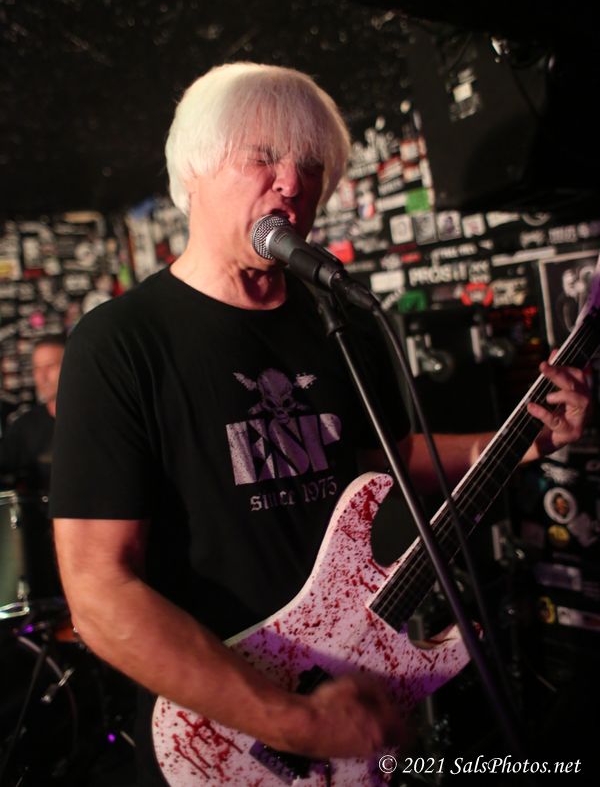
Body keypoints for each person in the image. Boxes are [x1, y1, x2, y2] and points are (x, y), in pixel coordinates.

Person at [49, 63, 589, 785]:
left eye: (309, 164)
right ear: (195, 170)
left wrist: (522, 441)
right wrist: (292, 721)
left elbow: (382, 461)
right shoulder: (120, 342)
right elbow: (99, 593)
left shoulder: (342, 323)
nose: (291, 182)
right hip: (223, 740)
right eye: (263, 156)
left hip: (352, 694)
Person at [0, 334, 66, 491]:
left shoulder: (94, 419)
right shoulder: (26, 425)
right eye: (37, 368)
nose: (42, 376)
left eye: (50, 366)